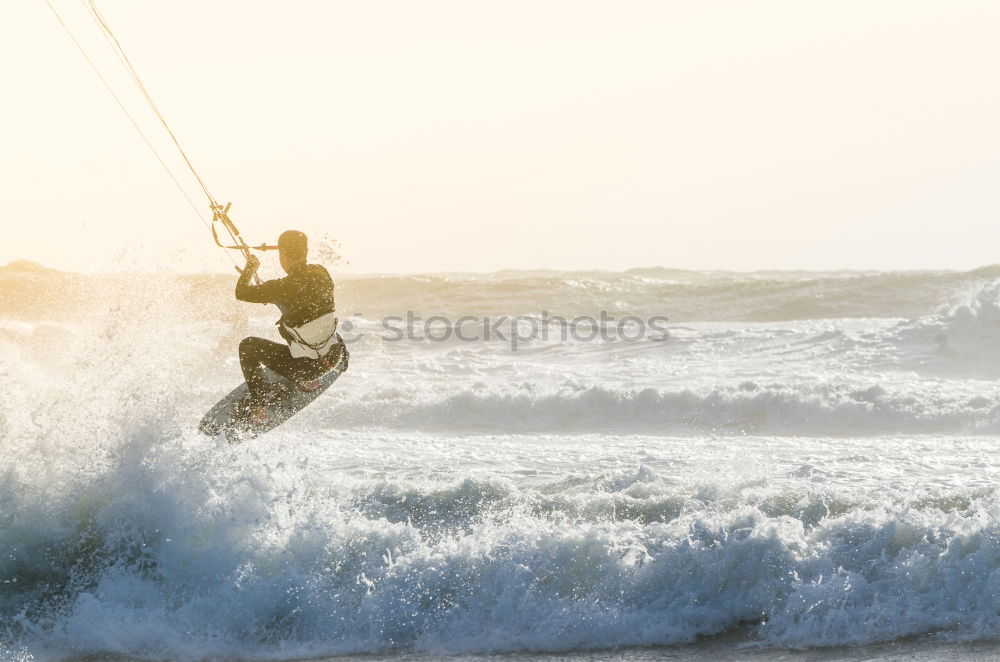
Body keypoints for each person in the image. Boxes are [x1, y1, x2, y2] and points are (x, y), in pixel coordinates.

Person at [235, 230, 347, 424]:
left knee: (248, 346)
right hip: (335, 354)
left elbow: (242, 292)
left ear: (282, 256)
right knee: (306, 319)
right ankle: (317, 374)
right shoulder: (321, 272)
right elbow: (301, 298)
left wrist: (250, 268)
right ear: (306, 251)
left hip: (308, 368)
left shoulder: (280, 288)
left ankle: (259, 407)